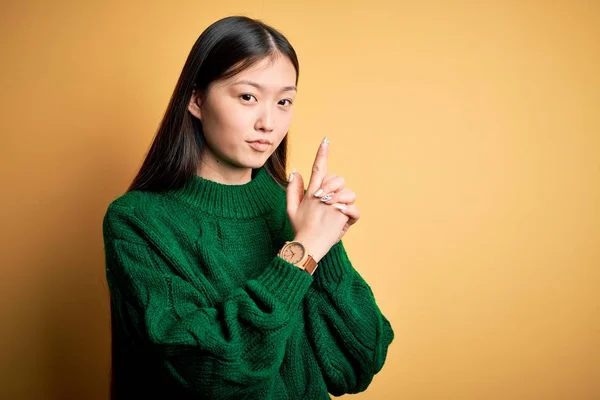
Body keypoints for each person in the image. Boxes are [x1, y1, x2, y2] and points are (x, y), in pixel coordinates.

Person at [102, 15, 394, 399]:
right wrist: (301, 253)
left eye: (284, 101)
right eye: (247, 97)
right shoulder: (137, 221)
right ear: (196, 99)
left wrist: (326, 243)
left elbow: (356, 365)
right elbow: (216, 376)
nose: (268, 123)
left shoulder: (295, 213)